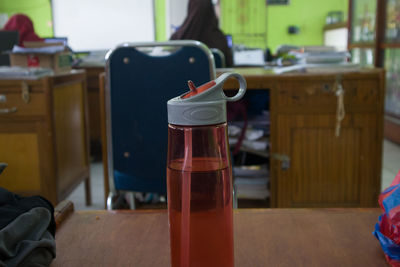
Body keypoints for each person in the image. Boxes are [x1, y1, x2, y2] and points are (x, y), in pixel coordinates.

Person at [170, 0, 233, 67]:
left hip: (183, 77)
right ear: (211, 10)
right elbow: (229, 69)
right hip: (212, 77)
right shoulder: (220, 39)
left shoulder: (176, 39)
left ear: (190, 9)